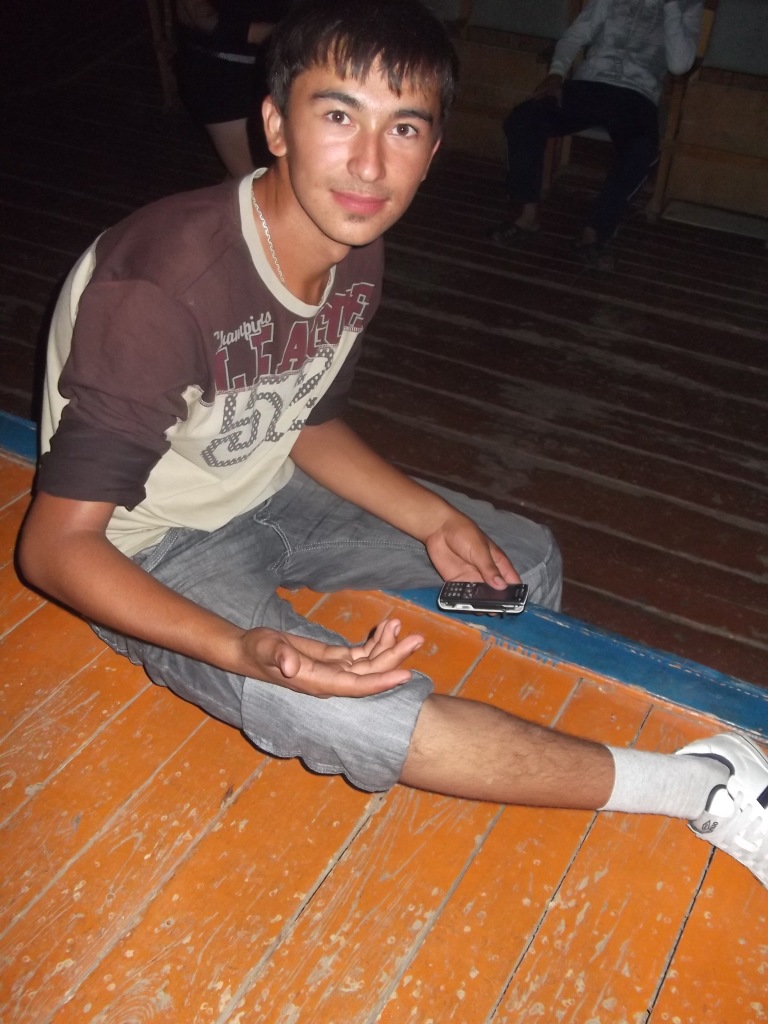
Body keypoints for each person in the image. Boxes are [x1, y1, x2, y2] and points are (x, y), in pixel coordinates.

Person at [18, 0, 766, 891]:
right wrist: (241, 648)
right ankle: (708, 783)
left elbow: (305, 420)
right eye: (339, 115)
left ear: (432, 149)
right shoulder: (161, 288)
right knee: (363, 719)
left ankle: (468, 734)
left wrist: (432, 517)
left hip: (266, 490)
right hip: (149, 549)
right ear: (275, 126)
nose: (370, 164)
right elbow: (55, 548)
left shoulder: (352, 241)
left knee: (519, 565)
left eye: (402, 127)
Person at [491, 0, 704, 265]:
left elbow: (679, 65)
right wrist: (557, 72)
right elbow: (577, 33)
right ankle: (526, 215)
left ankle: (595, 233)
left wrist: (670, 6)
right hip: (591, 83)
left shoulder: (688, 5)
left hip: (638, 94)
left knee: (642, 148)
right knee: (523, 119)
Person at [173, 0, 291, 175]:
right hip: (219, 72)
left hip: (275, 66)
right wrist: (280, 32)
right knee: (253, 176)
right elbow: (198, 17)